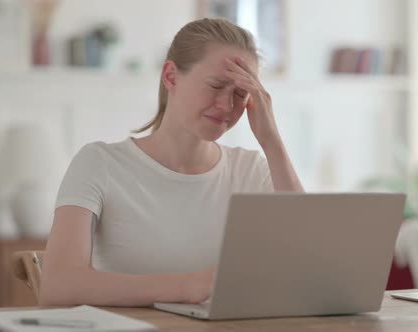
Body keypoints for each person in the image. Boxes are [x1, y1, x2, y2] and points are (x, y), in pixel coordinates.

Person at [39, 18, 303, 307]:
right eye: (216, 85)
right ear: (171, 76)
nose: (227, 105)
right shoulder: (99, 164)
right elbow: (58, 286)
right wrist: (190, 286)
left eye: (241, 93)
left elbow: (310, 263)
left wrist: (271, 140)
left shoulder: (251, 170)